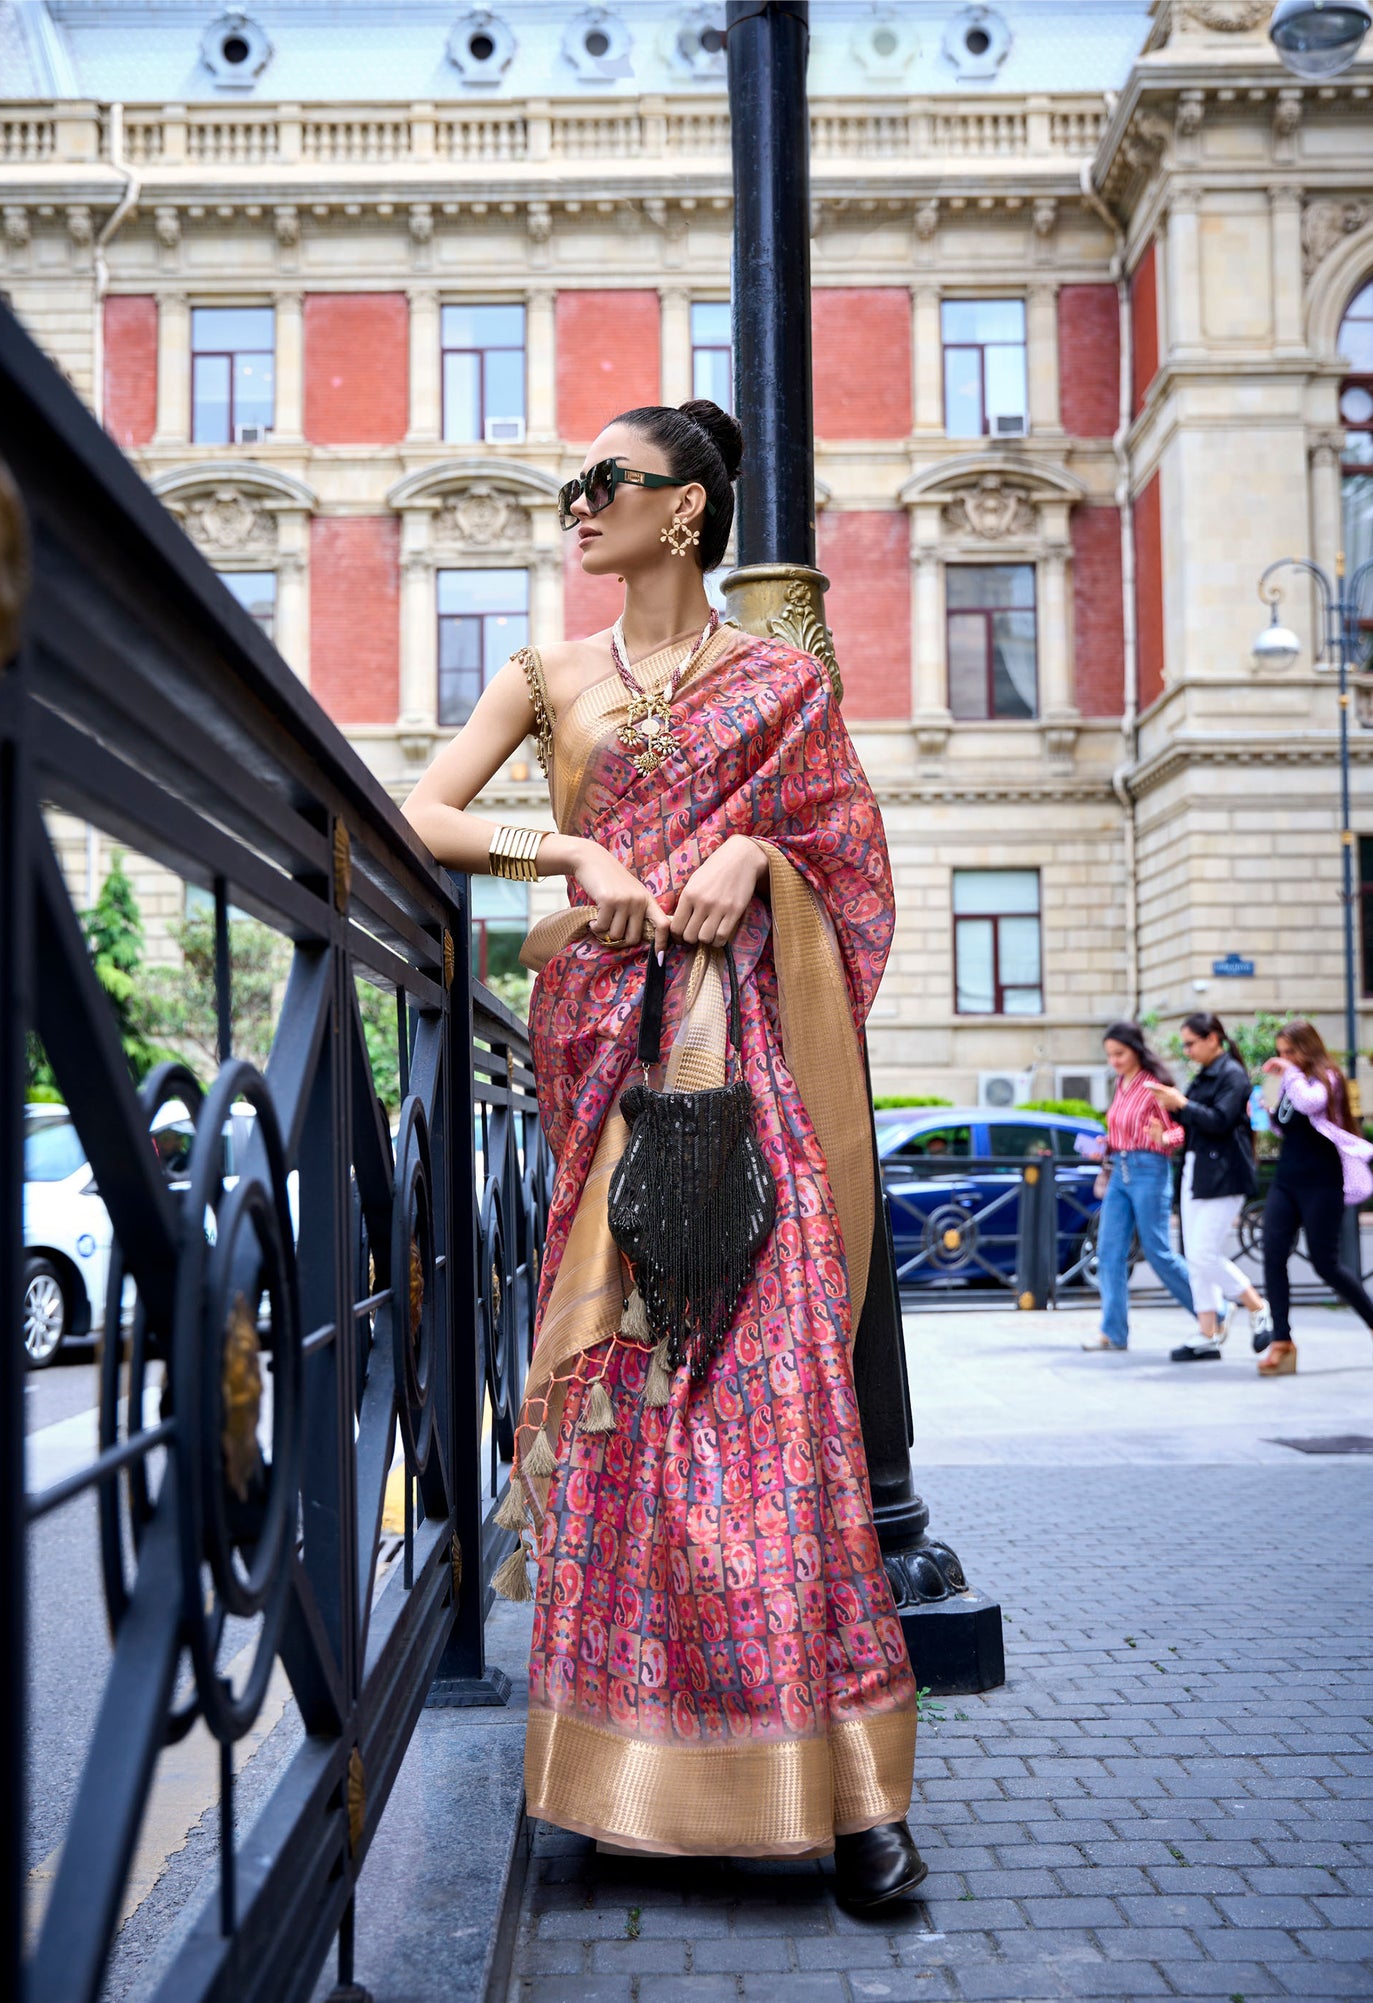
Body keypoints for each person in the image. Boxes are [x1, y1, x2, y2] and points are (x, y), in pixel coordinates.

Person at [402, 399, 923, 1910]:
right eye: (575, 488)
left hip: (747, 1070)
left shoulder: (779, 681)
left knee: (780, 1412)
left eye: (602, 484)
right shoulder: (546, 672)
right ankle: (616, 1777)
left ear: (684, 507)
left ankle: (843, 1794)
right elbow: (418, 805)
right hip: (602, 1060)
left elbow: (850, 864)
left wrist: (754, 854)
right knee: (627, 1405)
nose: (576, 506)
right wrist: (564, 851)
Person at [1147, 1013, 1272, 1356]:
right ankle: (1207, 1332)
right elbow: (1193, 1122)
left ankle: (1258, 1307)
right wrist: (1169, 1115)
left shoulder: (1231, 1074)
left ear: (1213, 1038)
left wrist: (1182, 1104)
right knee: (1195, 1256)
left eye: (1191, 1043)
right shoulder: (1205, 1074)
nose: (1187, 1051)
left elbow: (1219, 1120)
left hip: (1225, 1174)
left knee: (1203, 1254)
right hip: (1196, 1169)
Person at [1255, 1020, 1373, 1376]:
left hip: (1322, 1183)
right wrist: (1267, 1111)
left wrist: (1289, 1073)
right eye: (1281, 1052)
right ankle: (1282, 1341)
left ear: (1308, 1047)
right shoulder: (1294, 1081)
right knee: (1273, 1254)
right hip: (1287, 1180)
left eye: (1291, 1051)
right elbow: (1288, 1124)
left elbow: (1310, 1104)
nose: (1285, 1058)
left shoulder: (1327, 1077)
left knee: (1326, 1264)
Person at [1082, 1020, 1198, 1352]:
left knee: (1158, 1251)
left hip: (1150, 1169)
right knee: (1108, 1252)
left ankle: (1213, 1311)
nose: (1114, 1061)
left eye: (1119, 1053)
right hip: (1119, 1169)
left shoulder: (1154, 1085)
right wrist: (1106, 1143)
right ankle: (1114, 1332)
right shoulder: (1121, 1083)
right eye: (1109, 1055)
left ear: (1135, 1049)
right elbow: (1122, 1128)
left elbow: (1181, 1132)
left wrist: (1163, 1138)